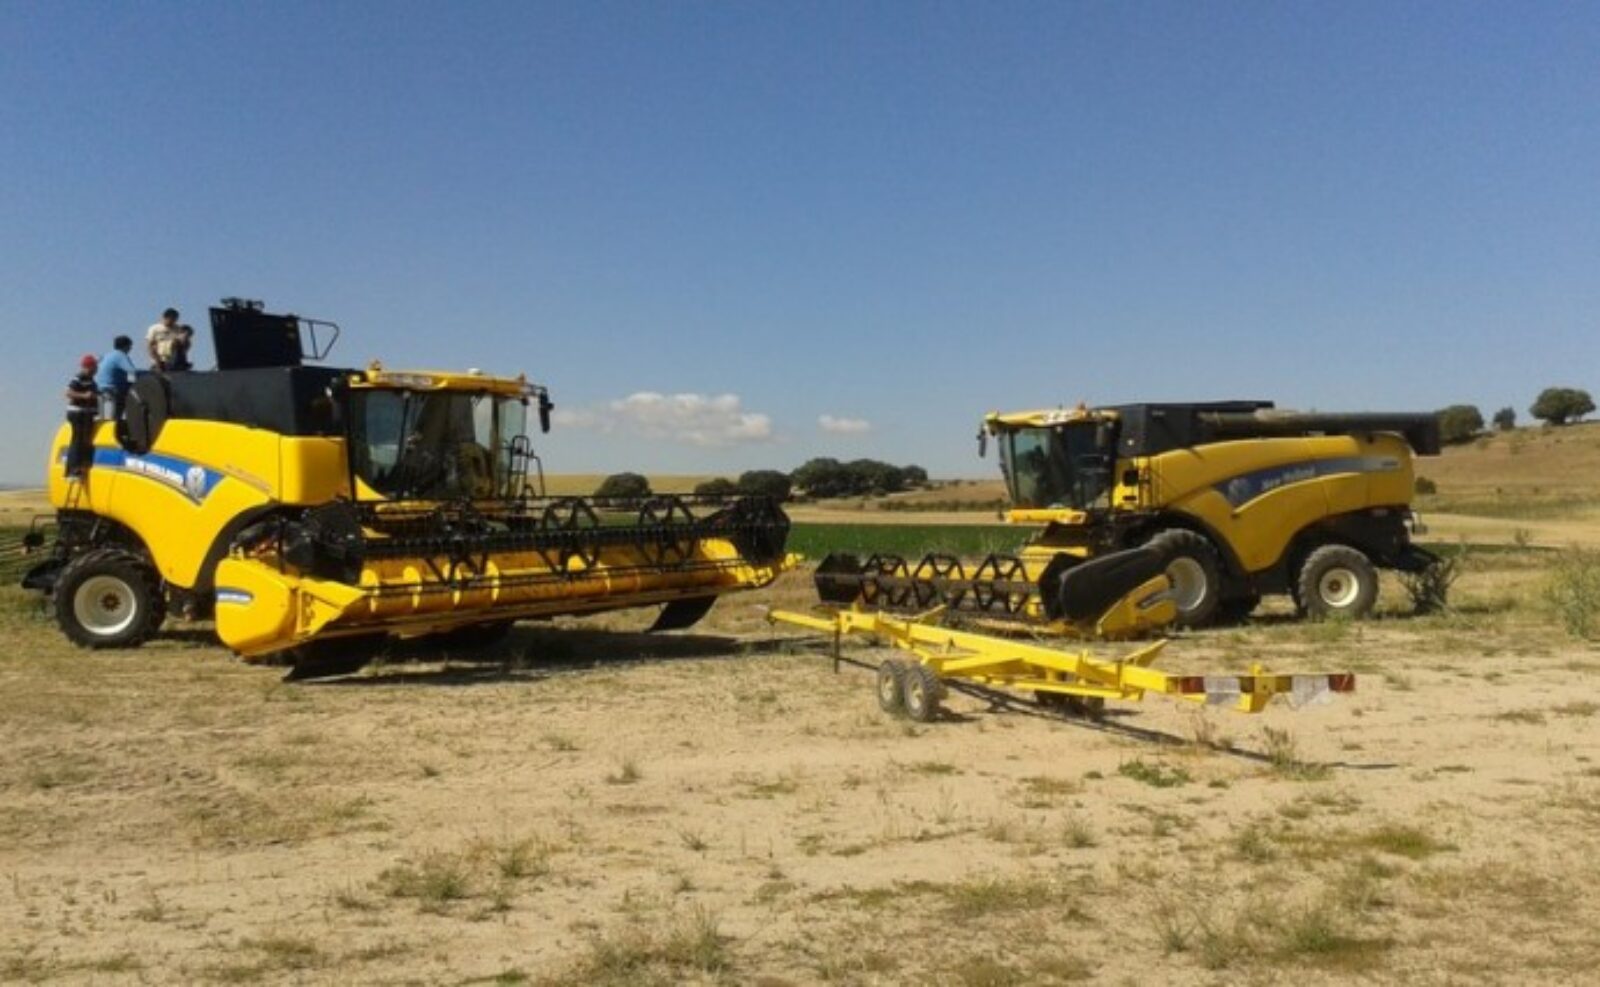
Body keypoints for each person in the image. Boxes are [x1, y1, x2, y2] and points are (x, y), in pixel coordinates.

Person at [64, 355, 100, 477]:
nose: (96, 369)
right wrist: (84, 395)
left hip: (87, 414)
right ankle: (73, 469)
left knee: (85, 440)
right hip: (78, 413)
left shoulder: (92, 381)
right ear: (88, 367)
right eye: (95, 367)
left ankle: (83, 464)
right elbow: (68, 392)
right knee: (77, 440)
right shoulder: (79, 378)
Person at [95, 335, 139, 421]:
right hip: (113, 389)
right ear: (125, 346)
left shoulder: (107, 355)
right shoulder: (120, 355)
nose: (131, 349)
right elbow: (131, 370)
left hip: (101, 388)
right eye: (130, 346)